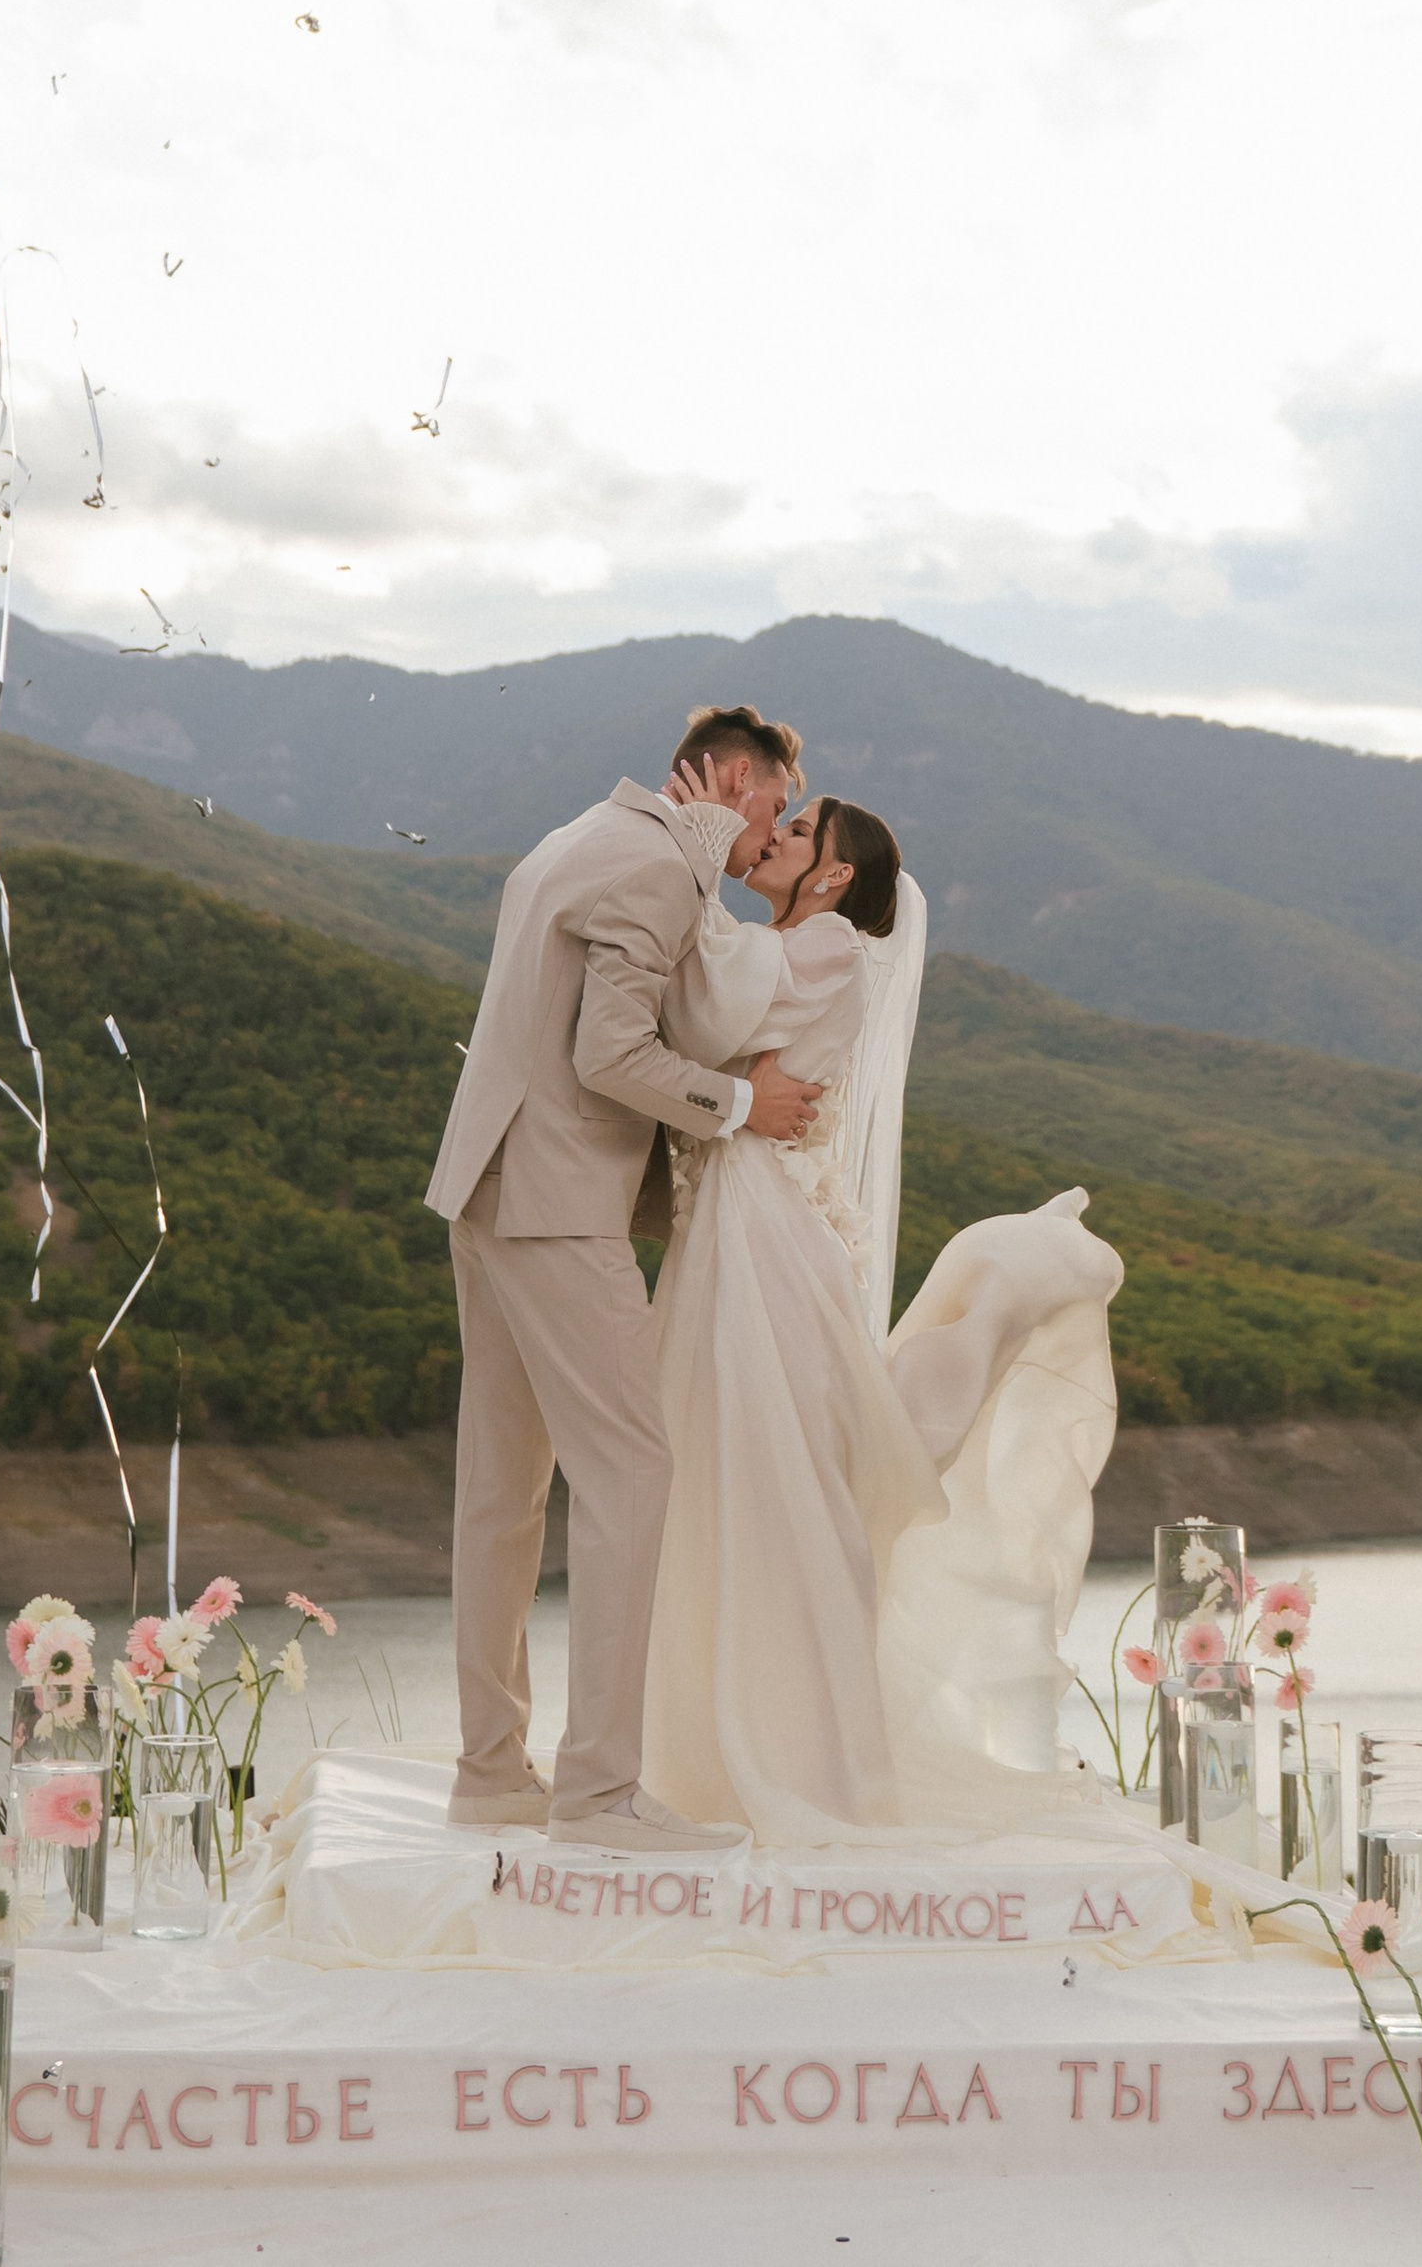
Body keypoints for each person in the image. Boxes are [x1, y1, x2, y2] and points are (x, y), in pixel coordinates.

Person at [644, 771, 1127, 1846]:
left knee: (761, 1473)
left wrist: (684, 849)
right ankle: (723, 1744)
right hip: (744, 1212)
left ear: (836, 873)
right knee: (738, 1468)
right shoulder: (793, 946)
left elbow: (700, 1000)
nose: (775, 836)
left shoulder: (819, 950)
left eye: (799, 829)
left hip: (758, 1226)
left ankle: (770, 1753)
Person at [424, 705, 823, 1848]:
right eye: (777, 810)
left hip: (488, 1188)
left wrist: (701, 874)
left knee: (499, 1492)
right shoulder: (656, 863)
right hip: (556, 1201)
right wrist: (743, 1103)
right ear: (738, 780)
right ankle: (598, 1793)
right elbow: (608, 1052)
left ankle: (492, 1773)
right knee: (630, 1475)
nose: (771, 838)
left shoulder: (578, 836)